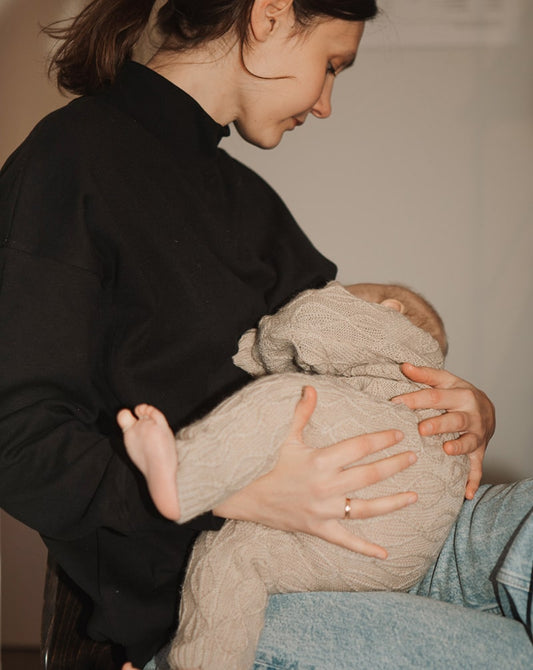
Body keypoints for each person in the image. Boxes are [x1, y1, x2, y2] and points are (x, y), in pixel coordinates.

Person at [0, 1, 528, 669]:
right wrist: (225, 491)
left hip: (393, 542)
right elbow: (15, 438)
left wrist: (464, 409)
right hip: (235, 589)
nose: (328, 103)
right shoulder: (69, 160)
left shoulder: (248, 201)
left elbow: (346, 347)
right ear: (270, 16)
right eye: (331, 65)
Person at [117, 280, 470, 670]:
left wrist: (257, 346)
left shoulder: (393, 339)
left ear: (390, 310)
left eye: (344, 294)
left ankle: (187, 476)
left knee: (291, 395)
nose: (332, 294)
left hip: (393, 465)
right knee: (233, 553)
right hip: (395, 555)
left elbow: (308, 321)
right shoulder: (444, 398)